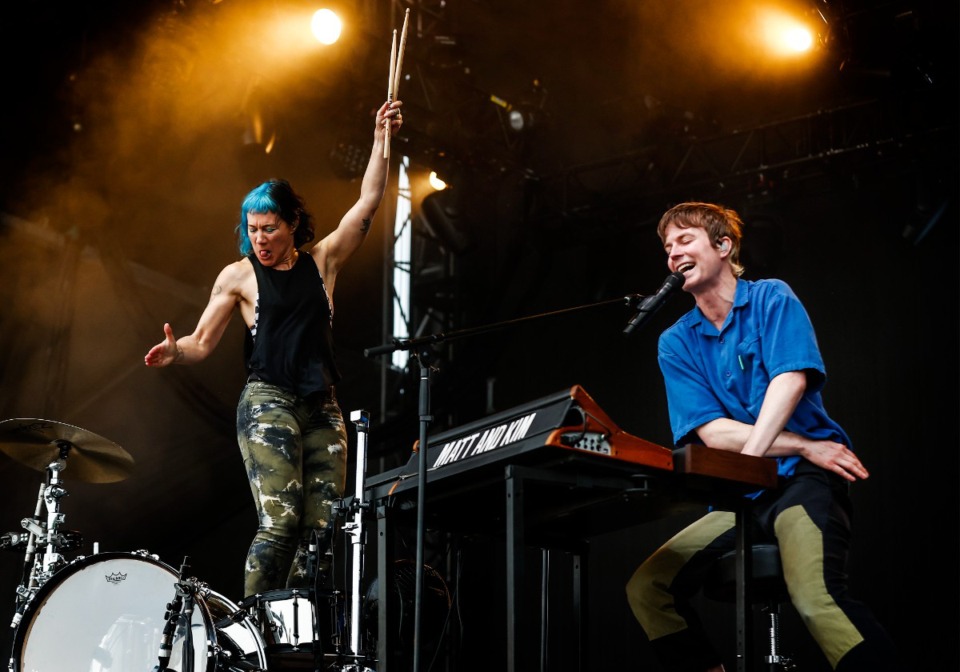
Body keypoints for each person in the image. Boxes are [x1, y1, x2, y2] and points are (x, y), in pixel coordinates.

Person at [144, 98, 403, 598]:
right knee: (280, 523)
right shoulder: (239, 276)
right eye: (253, 230)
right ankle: (255, 627)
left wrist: (380, 138)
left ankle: (297, 632)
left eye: (270, 229)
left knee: (320, 533)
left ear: (291, 226)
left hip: (322, 407)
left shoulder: (323, 261)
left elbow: (367, 202)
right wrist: (176, 353)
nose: (259, 240)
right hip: (269, 401)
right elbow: (200, 343)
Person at [625, 202, 899, 671]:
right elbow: (713, 433)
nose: (673, 254)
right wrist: (803, 443)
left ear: (724, 245)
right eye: (667, 247)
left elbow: (789, 382)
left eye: (685, 240)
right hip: (744, 492)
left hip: (802, 483)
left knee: (816, 599)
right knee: (647, 587)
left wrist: (763, 460)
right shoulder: (674, 341)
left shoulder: (772, 297)